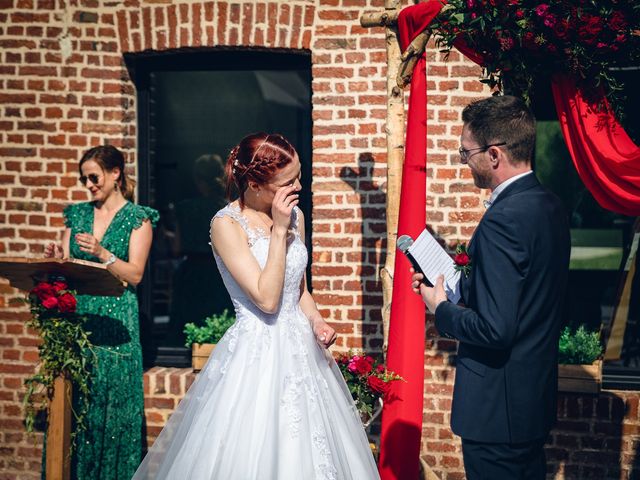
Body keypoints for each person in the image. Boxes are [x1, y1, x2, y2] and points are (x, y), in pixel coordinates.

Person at [132, 133, 380, 479]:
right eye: (287, 182)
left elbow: (299, 290)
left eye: (299, 176)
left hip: (302, 355)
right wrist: (278, 232)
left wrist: (317, 321)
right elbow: (266, 299)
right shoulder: (226, 225)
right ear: (254, 183)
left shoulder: (296, 217)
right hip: (257, 359)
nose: (298, 187)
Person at [411, 96, 571, 480]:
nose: (465, 163)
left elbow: (496, 329)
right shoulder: (549, 205)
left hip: (497, 412)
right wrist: (462, 284)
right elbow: (526, 296)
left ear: (494, 154)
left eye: (465, 154)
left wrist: (440, 307)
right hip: (529, 399)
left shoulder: (505, 219)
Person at [45, 145, 159, 479]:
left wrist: (102, 252)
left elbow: (135, 274)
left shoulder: (138, 218)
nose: (89, 184)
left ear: (115, 174)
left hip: (118, 320)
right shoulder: (77, 215)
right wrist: (56, 255)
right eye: (84, 179)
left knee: (114, 408)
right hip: (81, 318)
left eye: (94, 177)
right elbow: (67, 265)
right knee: (80, 406)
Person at [165, 153, 233, 346]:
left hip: (192, 272)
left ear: (198, 180)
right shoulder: (228, 209)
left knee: (188, 320)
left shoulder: (184, 208)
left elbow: (177, 248)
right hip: (219, 271)